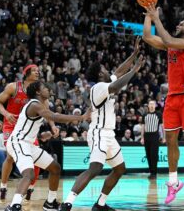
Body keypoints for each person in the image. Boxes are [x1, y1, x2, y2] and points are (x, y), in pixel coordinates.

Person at [59, 37, 144, 211]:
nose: (108, 71)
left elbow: (119, 72)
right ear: (99, 74)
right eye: (104, 69)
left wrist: (133, 55)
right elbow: (118, 83)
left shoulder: (105, 82)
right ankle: (66, 204)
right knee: (95, 169)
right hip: (98, 132)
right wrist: (135, 70)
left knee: (120, 169)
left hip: (109, 135)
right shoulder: (98, 87)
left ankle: (100, 204)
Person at [143, 0, 184, 208]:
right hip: (172, 96)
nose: (178, 24)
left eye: (182, 23)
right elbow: (147, 38)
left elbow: (169, 40)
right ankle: (173, 181)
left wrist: (157, 18)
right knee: (170, 139)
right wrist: (149, 17)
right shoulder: (172, 44)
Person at [4, 81, 90, 211]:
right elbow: (54, 116)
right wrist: (81, 117)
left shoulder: (40, 105)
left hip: (28, 144)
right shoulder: (34, 104)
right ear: (38, 92)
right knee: (29, 174)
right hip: (18, 142)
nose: (49, 90)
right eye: (45, 88)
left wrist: (46, 133)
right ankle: (14, 206)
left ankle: (50, 203)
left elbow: (33, 125)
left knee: (55, 168)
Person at [0, 64, 59, 203]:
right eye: (34, 71)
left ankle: (30, 188)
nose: (37, 72)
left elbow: (48, 112)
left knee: (35, 158)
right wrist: (6, 113)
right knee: (10, 156)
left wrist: (53, 125)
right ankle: (3, 187)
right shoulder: (13, 87)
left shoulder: (40, 91)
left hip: (27, 128)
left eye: (38, 70)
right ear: (26, 72)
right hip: (11, 125)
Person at [140, 100, 163, 179]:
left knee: (154, 155)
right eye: (150, 104)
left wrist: (164, 137)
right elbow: (143, 127)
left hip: (155, 136)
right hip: (147, 136)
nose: (152, 105)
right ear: (148, 106)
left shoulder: (159, 114)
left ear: (155, 105)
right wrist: (142, 137)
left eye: (153, 104)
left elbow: (162, 126)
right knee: (148, 155)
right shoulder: (144, 115)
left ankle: (154, 172)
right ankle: (151, 172)